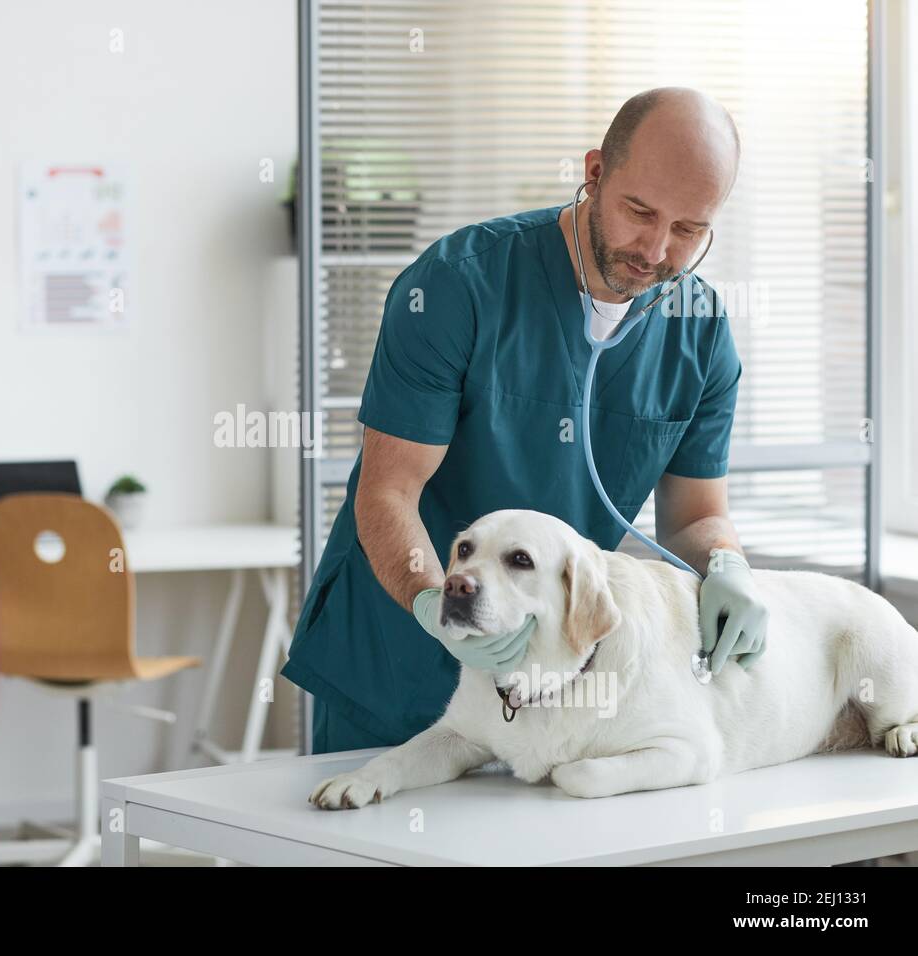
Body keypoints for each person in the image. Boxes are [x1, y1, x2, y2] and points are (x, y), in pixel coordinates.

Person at [282, 87, 769, 755]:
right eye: (640, 211)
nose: (656, 249)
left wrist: (727, 567)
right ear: (596, 173)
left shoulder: (700, 332)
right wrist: (436, 605)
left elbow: (692, 518)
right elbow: (389, 490)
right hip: (398, 666)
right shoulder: (458, 286)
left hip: (548, 690)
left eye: (689, 229)